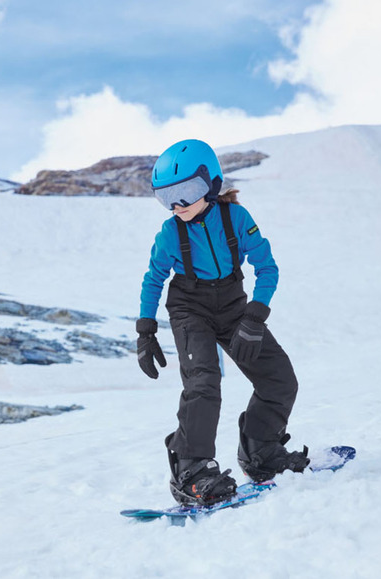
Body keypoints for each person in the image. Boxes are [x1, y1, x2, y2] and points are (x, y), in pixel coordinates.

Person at [136, 139, 309, 507]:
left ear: (211, 183)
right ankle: (191, 471)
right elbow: (153, 280)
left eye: (186, 192)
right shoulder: (170, 233)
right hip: (189, 309)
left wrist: (255, 317)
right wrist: (145, 330)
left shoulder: (236, 219)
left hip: (233, 307)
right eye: (167, 197)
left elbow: (266, 268)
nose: (177, 205)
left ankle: (261, 451)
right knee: (203, 382)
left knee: (279, 378)